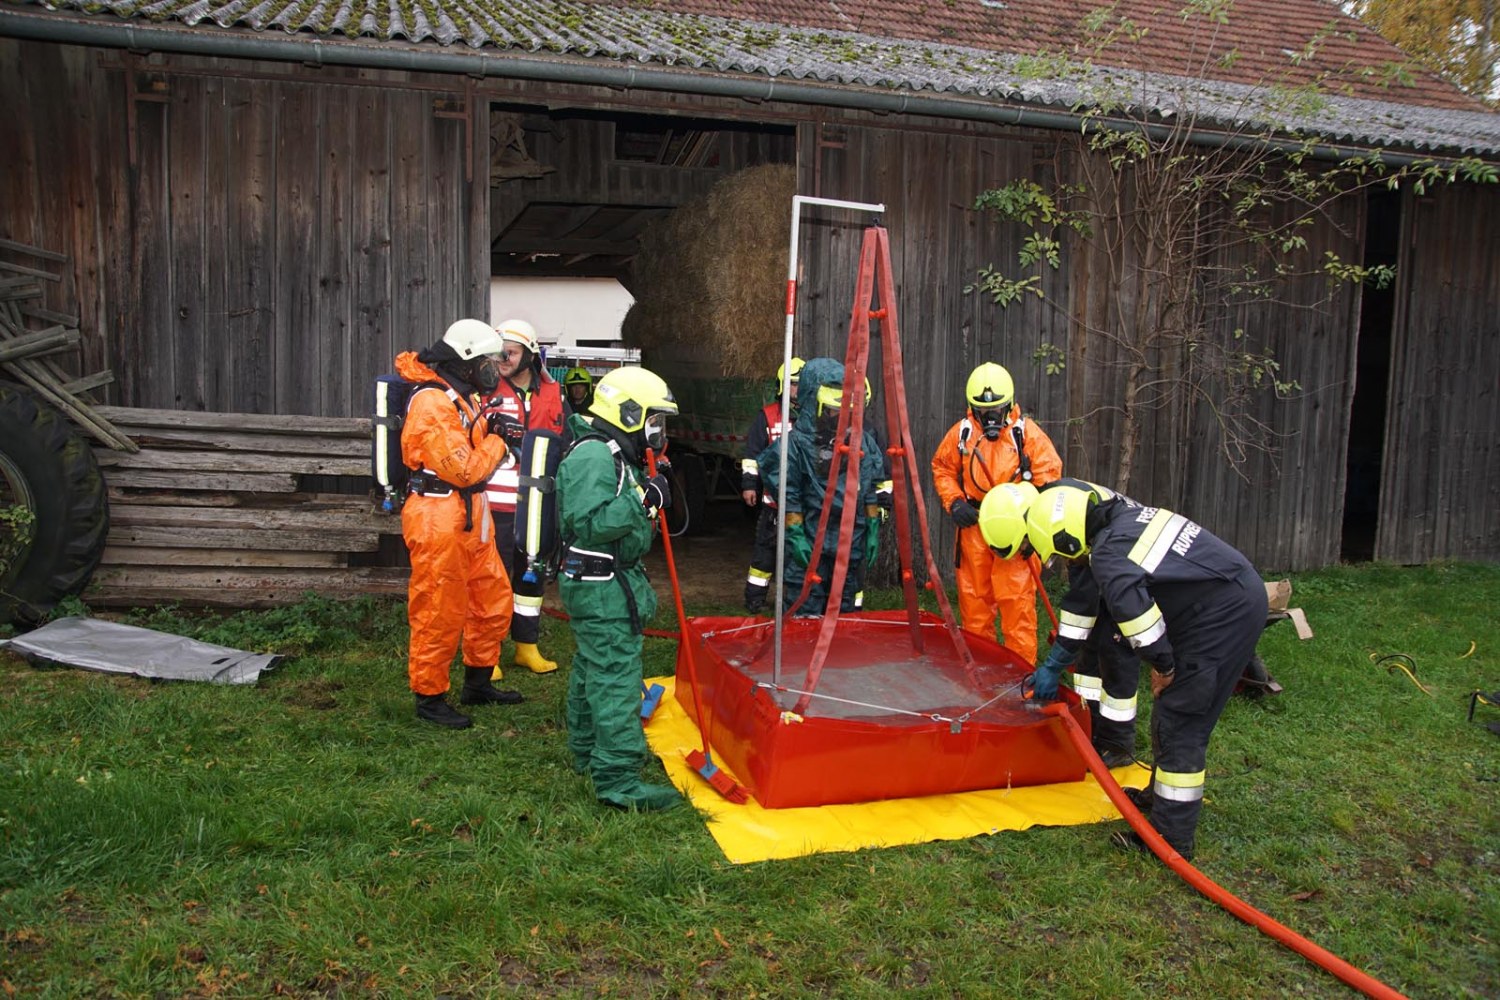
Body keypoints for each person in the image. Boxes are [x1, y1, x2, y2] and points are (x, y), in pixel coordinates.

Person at [1024, 482, 1268, 859]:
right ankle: (1159, 799)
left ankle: (1170, 839)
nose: (1069, 564)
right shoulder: (1126, 518)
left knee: (1180, 720)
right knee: (1172, 716)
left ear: (1068, 539)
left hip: (1222, 616)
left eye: (1062, 556)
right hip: (1226, 598)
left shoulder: (1108, 554)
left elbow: (1138, 620)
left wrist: (1164, 665)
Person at [556, 365, 683, 811]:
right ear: (628, 413)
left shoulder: (611, 453)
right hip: (601, 585)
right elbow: (589, 523)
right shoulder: (593, 456)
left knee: (594, 667)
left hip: (604, 581)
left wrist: (647, 485)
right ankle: (618, 780)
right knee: (615, 678)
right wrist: (644, 500)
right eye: (653, 419)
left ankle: (586, 752)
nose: (657, 430)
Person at [395, 319, 525, 729]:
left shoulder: (460, 398)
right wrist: (499, 441)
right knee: (439, 607)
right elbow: (463, 469)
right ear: (466, 361)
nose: (494, 367)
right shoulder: (432, 403)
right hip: (438, 516)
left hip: (470, 513)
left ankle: (478, 683)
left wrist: (493, 429)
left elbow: (468, 448)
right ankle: (430, 697)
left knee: (491, 598)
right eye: (488, 360)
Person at [980, 478, 1141, 767]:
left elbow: (1082, 605)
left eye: (1026, 543)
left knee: (1115, 646)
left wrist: (1054, 665)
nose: (1029, 548)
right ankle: (1091, 727)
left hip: (1132, 564)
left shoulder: (1064, 522)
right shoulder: (1052, 503)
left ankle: (1118, 744)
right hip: (1116, 556)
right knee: (1090, 650)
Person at [931, 362, 1062, 665]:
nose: (990, 417)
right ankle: (982, 675)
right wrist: (955, 502)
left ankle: (1021, 675)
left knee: (1018, 608)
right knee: (975, 609)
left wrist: (1033, 530)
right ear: (972, 408)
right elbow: (942, 468)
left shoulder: (1027, 435)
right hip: (975, 529)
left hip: (1017, 535)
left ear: (1009, 404)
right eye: (983, 410)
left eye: (996, 409)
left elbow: (1049, 479)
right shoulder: (962, 434)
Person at [759, 357, 885, 616]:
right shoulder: (794, 446)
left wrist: (872, 524)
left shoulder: (861, 442)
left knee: (844, 607)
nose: (838, 416)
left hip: (848, 541)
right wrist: (795, 534)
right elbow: (788, 493)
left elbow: (870, 485)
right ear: (812, 403)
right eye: (831, 409)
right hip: (809, 538)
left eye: (843, 409)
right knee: (805, 605)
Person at [480, 319, 565, 676]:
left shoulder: (553, 391)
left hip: (537, 502)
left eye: (511, 353)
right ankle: (487, 653)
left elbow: (563, 438)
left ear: (530, 355)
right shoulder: (485, 388)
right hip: (496, 503)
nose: (502, 359)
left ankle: (526, 646)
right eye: (499, 353)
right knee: (492, 578)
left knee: (532, 575)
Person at [740, 357, 803, 614]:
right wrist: (749, 485)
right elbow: (752, 455)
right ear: (781, 386)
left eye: (801, 384)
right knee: (764, 554)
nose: (797, 389)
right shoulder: (767, 416)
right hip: (773, 503)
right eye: (793, 383)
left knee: (797, 555)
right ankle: (755, 599)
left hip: (802, 504)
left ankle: (794, 602)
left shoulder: (814, 418)